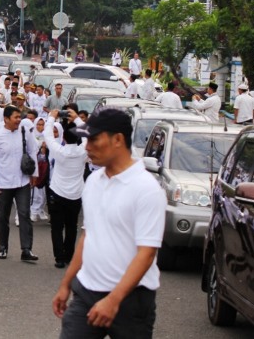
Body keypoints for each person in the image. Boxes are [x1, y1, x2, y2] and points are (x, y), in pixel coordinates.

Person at [52, 109, 166, 339]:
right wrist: (66, 284)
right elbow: (88, 236)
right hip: (87, 292)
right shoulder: (94, 181)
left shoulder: (146, 189)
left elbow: (146, 253)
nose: (87, 147)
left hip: (131, 300)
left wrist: (114, 300)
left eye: (94, 139)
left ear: (117, 140)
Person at [0, 104, 39, 261]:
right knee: (3, 216)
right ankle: (3, 247)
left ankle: (26, 249)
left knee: (24, 214)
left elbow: (32, 150)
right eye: (15, 117)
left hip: (22, 181)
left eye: (19, 117)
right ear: (6, 119)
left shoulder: (24, 132)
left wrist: (34, 174)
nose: (18, 120)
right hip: (3, 183)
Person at [44, 109, 88, 269]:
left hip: (57, 192)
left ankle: (59, 258)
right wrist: (77, 119)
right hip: (75, 195)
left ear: (63, 137)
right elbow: (89, 136)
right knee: (72, 226)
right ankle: (69, 256)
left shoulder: (59, 150)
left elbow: (48, 136)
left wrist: (51, 118)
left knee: (56, 227)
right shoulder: (83, 151)